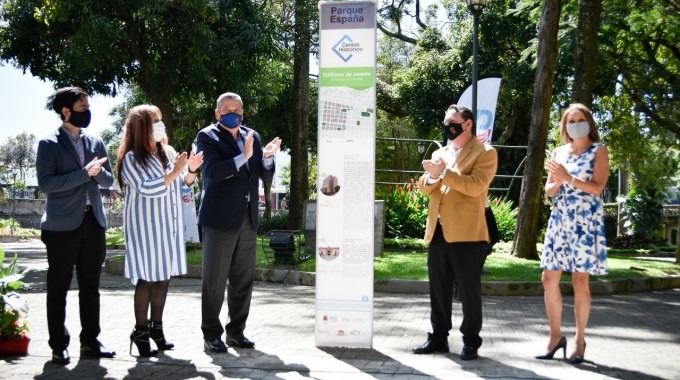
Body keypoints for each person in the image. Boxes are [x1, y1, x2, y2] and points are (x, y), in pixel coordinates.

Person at [36, 86, 116, 365]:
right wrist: (85, 174)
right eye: (82, 109)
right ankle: (59, 344)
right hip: (61, 227)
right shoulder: (48, 144)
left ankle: (90, 341)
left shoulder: (96, 141)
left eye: (89, 108)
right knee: (58, 288)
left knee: (91, 286)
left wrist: (98, 174)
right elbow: (47, 184)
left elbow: (108, 181)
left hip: (93, 222)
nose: (88, 113)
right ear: (65, 111)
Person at [196, 92, 281, 353]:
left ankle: (236, 332)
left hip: (247, 218)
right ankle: (211, 335)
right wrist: (244, 156)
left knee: (243, 280)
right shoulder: (207, 136)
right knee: (214, 281)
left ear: (243, 112)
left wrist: (266, 157)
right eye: (227, 108)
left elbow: (263, 175)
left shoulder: (251, 135)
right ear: (217, 112)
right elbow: (213, 172)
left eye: (237, 109)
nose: (233, 112)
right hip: (219, 220)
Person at [116, 105, 203, 357]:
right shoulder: (131, 158)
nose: (160, 126)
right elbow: (147, 188)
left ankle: (157, 329)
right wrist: (176, 171)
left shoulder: (168, 152)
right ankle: (140, 331)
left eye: (161, 120)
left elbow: (182, 189)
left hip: (169, 227)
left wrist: (190, 172)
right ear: (142, 126)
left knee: (163, 278)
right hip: (144, 228)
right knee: (147, 278)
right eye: (155, 121)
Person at [412, 104, 497, 360]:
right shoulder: (441, 152)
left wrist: (444, 173)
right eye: (446, 121)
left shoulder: (485, 152)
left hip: (468, 233)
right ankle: (438, 338)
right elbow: (424, 187)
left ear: (468, 124)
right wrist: (434, 177)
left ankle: (471, 341)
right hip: (438, 230)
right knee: (438, 289)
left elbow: (476, 186)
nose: (448, 126)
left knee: (469, 292)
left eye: (453, 121)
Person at [536, 103, 609, 364]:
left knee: (580, 281)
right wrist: (556, 181)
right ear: (564, 126)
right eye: (570, 120)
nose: (575, 124)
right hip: (560, 220)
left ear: (589, 122)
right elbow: (548, 191)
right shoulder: (558, 152)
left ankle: (579, 340)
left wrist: (568, 178)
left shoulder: (598, 151)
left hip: (585, 222)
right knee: (548, 278)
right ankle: (556, 337)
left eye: (579, 119)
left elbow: (597, 187)